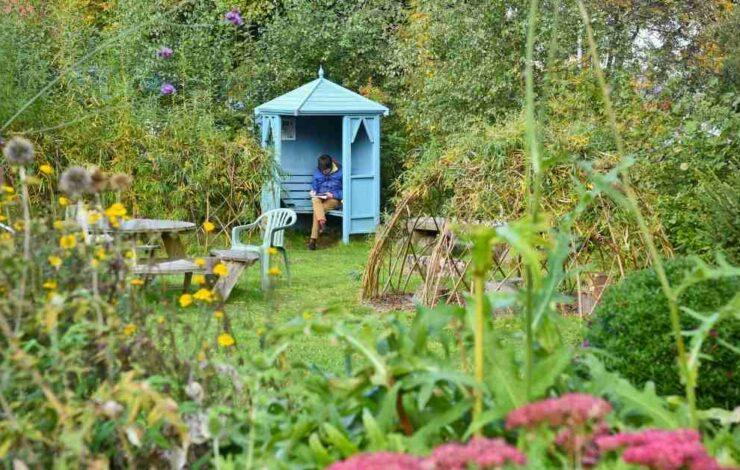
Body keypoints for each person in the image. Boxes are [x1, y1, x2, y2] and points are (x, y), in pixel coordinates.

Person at [308, 154, 342, 250]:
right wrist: (313, 191)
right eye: (322, 171)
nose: (324, 173)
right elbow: (314, 186)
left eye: (326, 171)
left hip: (334, 200)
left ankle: (313, 240)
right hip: (321, 197)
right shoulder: (317, 172)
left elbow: (346, 191)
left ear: (331, 166)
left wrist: (333, 194)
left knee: (317, 211)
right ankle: (322, 223)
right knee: (314, 199)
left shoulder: (341, 172)